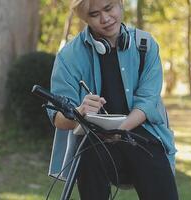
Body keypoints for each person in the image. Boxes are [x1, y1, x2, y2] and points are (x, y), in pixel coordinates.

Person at [47, 0, 178, 199]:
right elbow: (57, 118)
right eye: (94, 14)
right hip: (94, 143)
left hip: (143, 138)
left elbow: (147, 103)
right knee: (88, 154)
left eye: (109, 8)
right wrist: (79, 113)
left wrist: (119, 130)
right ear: (85, 18)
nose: (105, 18)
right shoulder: (68, 57)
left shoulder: (146, 45)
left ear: (120, 3)